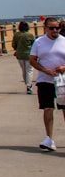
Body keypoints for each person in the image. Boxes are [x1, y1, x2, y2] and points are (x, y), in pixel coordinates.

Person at [28, 17, 65, 151]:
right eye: (52, 28)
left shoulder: (64, 41)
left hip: (63, 80)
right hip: (45, 80)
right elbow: (32, 60)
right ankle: (49, 138)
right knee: (48, 108)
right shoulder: (39, 42)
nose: (55, 30)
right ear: (45, 28)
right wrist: (44, 70)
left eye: (57, 28)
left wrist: (63, 67)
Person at [12, 20, 36, 94]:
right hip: (29, 54)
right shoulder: (30, 35)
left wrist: (17, 49)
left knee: (24, 70)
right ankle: (29, 86)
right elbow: (34, 45)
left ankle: (27, 84)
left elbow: (13, 45)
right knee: (29, 70)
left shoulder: (16, 34)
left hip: (20, 55)